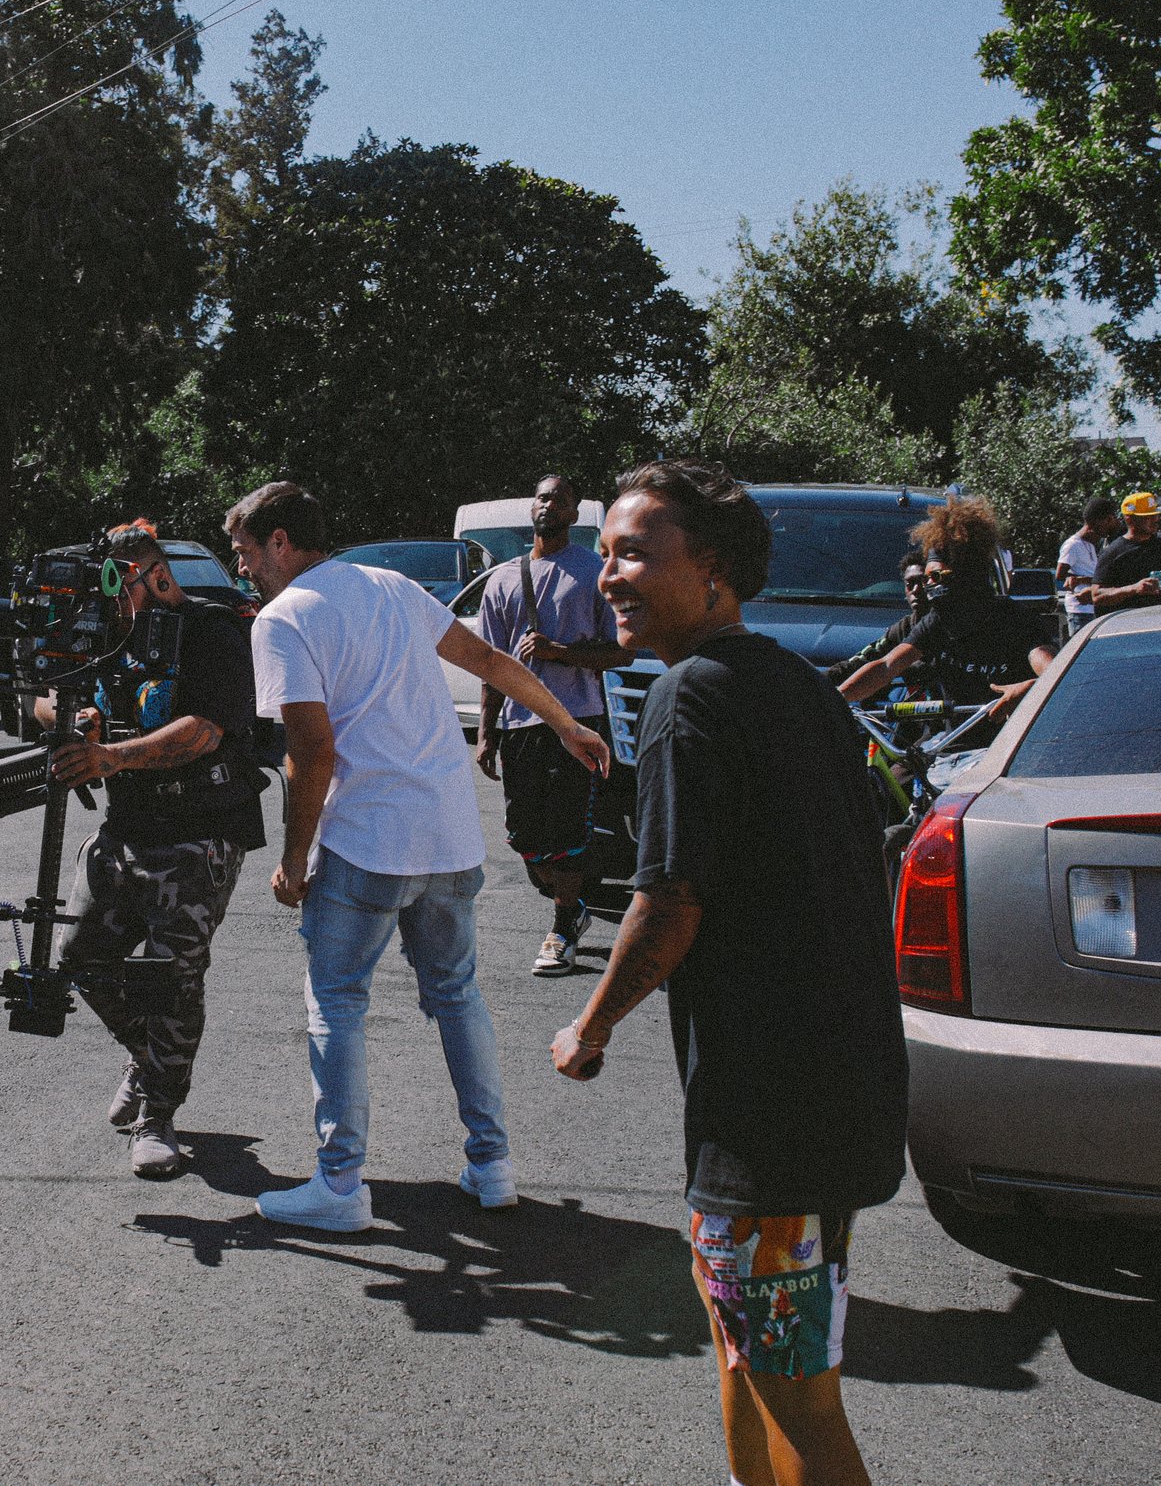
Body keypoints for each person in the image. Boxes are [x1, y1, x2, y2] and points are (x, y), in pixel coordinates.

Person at [552, 458, 903, 1486]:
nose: (608, 574)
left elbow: (667, 901)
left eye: (633, 553)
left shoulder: (686, 696)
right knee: (746, 1344)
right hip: (833, 1086)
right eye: (605, 551)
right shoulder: (795, 682)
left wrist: (592, 1022)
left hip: (772, 1115)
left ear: (711, 571)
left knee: (795, 1385)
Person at [226, 481, 610, 1233]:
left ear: (279, 541)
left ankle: (340, 1184)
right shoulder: (393, 587)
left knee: (335, 999)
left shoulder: (282, 619)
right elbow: (492, 660)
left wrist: (293, 860)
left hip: (368, 842)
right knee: (457, 995)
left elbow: (312, 749)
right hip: (450, 838)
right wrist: (565, 722)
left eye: (245, 554)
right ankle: (493, 1165)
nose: (243, 570)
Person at [43, 521, 266, 1180]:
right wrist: (70, 718)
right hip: (127, 827)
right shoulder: (107, 631)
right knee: (80, 956)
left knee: (170, 974)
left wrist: (109, 753)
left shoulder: (212, 633)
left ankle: (159, 1113)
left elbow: (202, 732)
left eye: (120, 586)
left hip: (202, 828)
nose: (110, 602)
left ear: (158, 578)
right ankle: (150, 1060)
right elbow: (46, 691)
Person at [471, 473, 630, 975]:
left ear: (574, 511)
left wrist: (560, 653)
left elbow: (619, 653)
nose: (549, 506)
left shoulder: (593, 572)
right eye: (542, 498)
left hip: (578, 721)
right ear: (532, 507)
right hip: (520, 726)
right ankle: (571, 903)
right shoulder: (502, 578)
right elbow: (491, 664)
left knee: (567, 829)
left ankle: (563, 926)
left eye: (559, 500)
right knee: (525, 836)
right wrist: (486, 732)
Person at [837, 496, 1055, 732]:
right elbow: (887, 666)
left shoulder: (1014, 620)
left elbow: (1059, 674)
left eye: (936, 577)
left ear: (966, 574)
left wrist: (1030, 687)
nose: (928, 585)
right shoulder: (939, 621)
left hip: (1006, 748)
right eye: (926, 577)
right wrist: (837, 699)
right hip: (950, 747)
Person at [825, 551, 929, 689]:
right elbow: (862, 661)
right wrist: (818, 680)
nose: (916, 590)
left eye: (923, 582)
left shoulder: (956, 623)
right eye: (910, 584)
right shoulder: (903, 628)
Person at [1055, 497, 1121, 642]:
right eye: (1108, 520)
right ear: (1098, 521)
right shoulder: (1072, 545)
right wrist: (1081, 580)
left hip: (1093, 608)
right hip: (1080, 610)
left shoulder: (1091, 545)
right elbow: (1060, 575)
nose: (1110, 525)